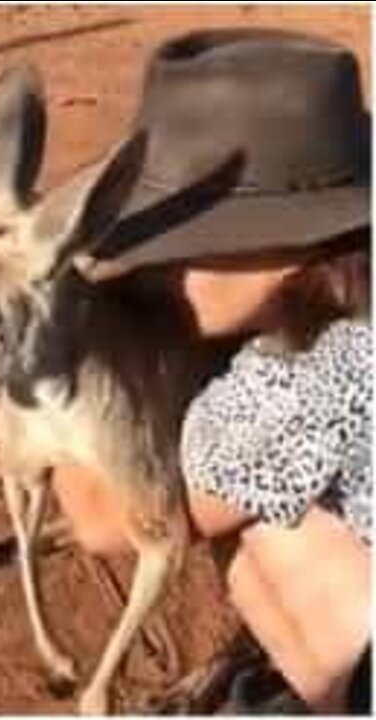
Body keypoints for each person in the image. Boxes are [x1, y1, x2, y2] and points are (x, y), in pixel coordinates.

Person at [59, 29, 370, 713]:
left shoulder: (310, 376)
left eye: (185, 248)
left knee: (269, 543)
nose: (149, 273)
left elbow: (109, 520)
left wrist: (55, 371)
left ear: (294, 245)